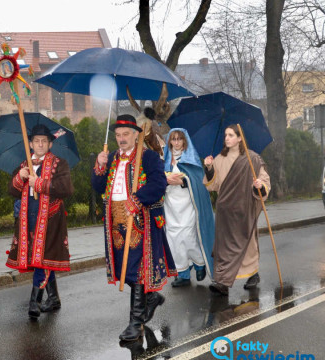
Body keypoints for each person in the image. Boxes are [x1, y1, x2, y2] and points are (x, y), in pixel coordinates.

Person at [91, 114, 177, 342]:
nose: (121, 139)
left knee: (137, 269)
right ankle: (150, 298)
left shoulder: (148, 157)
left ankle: (135, 322)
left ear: (136, 134)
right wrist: (99, 166)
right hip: (116, 220)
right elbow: (98, 187)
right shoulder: (110, 158)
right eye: (118, 135)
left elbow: (159, 184)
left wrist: (137, 200)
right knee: (125, 270)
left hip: (140, 219)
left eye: (126, 134)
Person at [6, 124, 74, 319]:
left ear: (50, 143)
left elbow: (66, 188)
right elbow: (12, 191)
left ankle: (35, 301)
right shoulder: (23, 164)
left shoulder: (59, 164)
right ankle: (53, 298)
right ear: (30, 143)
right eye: (36, 141)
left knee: (41, 258)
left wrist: (41, 184)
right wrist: (20, 178)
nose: (40, 144)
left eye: (44, 141)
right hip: (28, 219)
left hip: (51, 219)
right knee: (41, 258)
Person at [204, 125, 270, 296]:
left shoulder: (252, 158)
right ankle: (223, 282)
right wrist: (209, 168)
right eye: (225, 135)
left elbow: (265, 181)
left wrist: (259, 186)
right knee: (224, 247)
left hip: (245, 209)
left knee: (248, 246)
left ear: (240, 138)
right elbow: (213, 186)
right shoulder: (219, 158)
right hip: (225, 211)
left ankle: (253, 274)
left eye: (231, 135)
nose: (227, 138)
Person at [162, 128, 215, 287]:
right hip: (171, 206)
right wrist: (165, 180)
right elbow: (157, 180)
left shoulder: (192, 160)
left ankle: (199, 264)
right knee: (174, 239)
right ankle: (183, 274)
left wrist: (183, 181)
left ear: (185, 141)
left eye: (179, 139)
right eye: (173, 139)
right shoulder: (164, 160)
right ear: (169, 141)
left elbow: (199, 182)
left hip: (189, 205)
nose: (176, 142)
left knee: (188, 236)